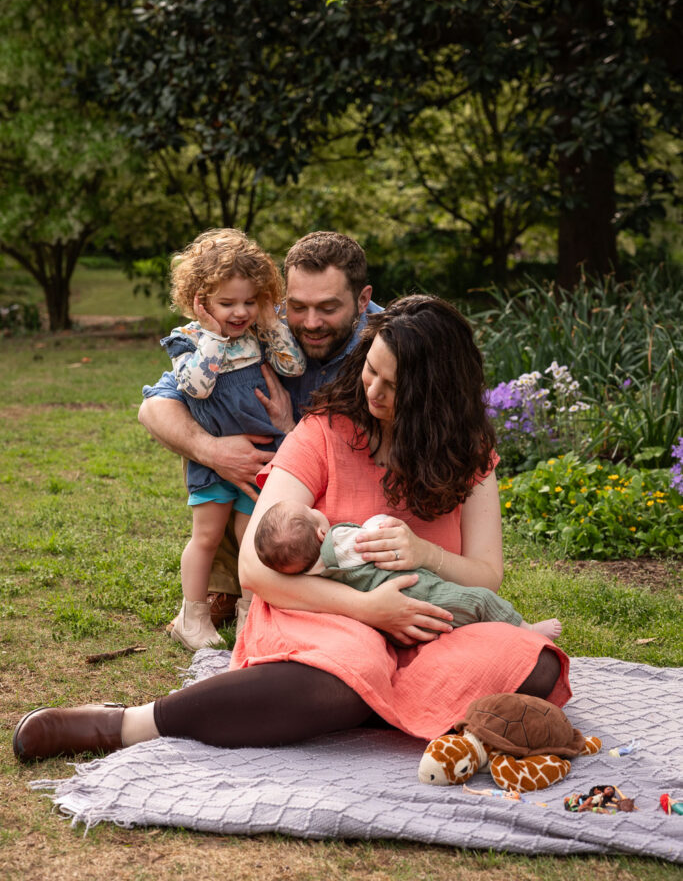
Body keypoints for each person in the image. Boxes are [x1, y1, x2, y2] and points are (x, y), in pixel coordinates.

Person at [13, 295, 570, 763]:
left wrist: (424, 551)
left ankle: (374, 698)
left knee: (535, 662)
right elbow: (256, 567)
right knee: (350, 666)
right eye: (371, 370)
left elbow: (486, 576)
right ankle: (128, 724)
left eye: (393, 386)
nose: (373, 391)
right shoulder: (324, 431)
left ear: (435, 398)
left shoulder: (470, 453)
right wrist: (369, 611)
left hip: (433, 629)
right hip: (321, 614)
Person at [139, 231, 380, 626]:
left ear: (363, 299)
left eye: (328, 307)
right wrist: (212, 450)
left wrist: (294, 429)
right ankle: (225, 589)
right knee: (215, 442)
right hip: (264, 472)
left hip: (346, 486)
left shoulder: (388, 344)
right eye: (297, 306)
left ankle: (297, 586)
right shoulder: (255, 327)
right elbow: (154, 407)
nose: (311, 322)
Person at [158, 228, 305, 651]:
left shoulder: (258, 335)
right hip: (213, 459)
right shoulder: (188, 340)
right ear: (199, 301)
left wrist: (272, 322)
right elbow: (196, 387)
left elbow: (292, 367)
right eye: (227, 304)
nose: (240, 312)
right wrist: (215, 337)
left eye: (249, 301)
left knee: (251, 535)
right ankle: (192, 615)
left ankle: (249, 613)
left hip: (261, 454)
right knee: (206, 536)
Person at [254, 500, 562, 639]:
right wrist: (380, 523)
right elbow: (369, 534)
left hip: (401, 615)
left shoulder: (311, 571)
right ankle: (527, 631)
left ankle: (499, 635)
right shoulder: (337, 543)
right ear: (321, 535)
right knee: (479, 600)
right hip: (420, 590)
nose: (315, 509)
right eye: (311, 513)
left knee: (463, 622)